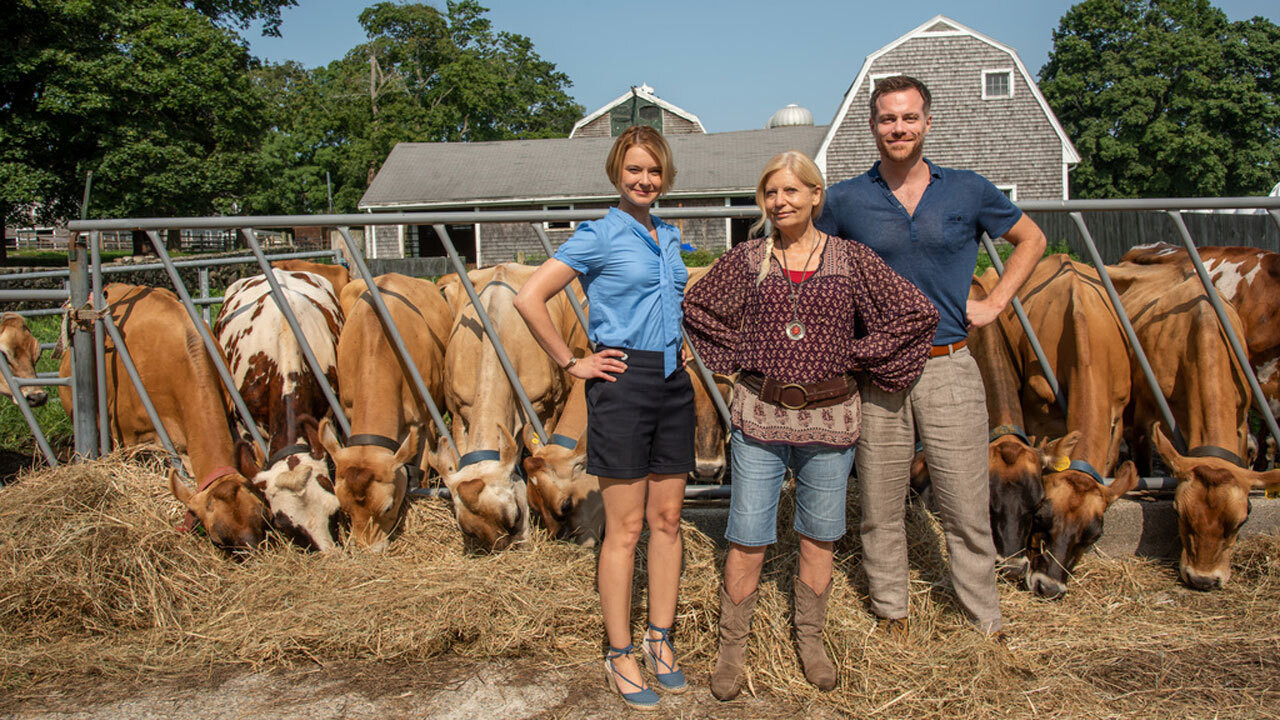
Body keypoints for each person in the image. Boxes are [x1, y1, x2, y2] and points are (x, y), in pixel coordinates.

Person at [683, 150, 938, 700]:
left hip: (832, 415)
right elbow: (699, 309)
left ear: (816, 196)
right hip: (760, 414)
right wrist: (743, 353)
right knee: (747, 536)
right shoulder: (747, 259)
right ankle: (733, 648)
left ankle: (811, 641)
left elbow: (916, 313)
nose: (780, 202)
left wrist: (857, 353)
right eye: (771, 193)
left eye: (792, 192)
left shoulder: (850, 259)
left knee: (818, 535)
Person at [815, 75, 1048, 638]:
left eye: (909, 117)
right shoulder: (845, 199)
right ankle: (892, 611)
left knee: (965, 506)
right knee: (879, 504)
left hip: (949, 363)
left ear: (927, 122)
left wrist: (993, 302)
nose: (899, 128)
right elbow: (811, 261)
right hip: (876, 374)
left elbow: (1033, 239)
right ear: (872, 126)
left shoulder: (966, 189)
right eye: (887, 119)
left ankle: (982, 621)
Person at [514, 125, 694, 712]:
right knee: (626, 527)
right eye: (634, 170)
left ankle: (659, 640)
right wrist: (573, 362)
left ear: (665, 177)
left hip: (673, 382)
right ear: (617, 171)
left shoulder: (668, 235)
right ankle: (620, 652)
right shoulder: (598, 235)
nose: (644, 180)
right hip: (622, 382)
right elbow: (529, 298)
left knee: (668, 520)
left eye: (654, 171)